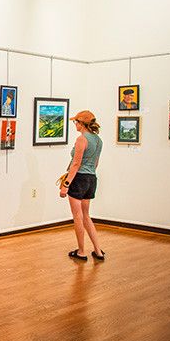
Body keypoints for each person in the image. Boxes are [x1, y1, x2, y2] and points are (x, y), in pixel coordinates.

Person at [59, 111, 105, 261]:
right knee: (86, 215)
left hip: (78, 179)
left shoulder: (82, 139)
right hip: (91, 179)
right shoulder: (98, 140)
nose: (75, 125)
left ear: (82, 123)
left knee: (77, 217)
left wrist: (66, 184)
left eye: (76, 122)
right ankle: (98, 251)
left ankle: (81, 251)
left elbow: (76, 164)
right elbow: (96, 163)